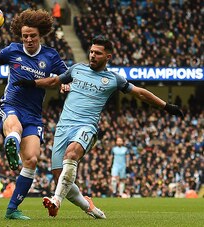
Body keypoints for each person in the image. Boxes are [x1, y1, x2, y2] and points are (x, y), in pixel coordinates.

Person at [13, 35, 184, 218]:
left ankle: (56, 201)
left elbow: (140, 93)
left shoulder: (113, 79)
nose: (93, 55)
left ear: (108, 57)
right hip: (63, 127)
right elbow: (55, 81)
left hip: (87, 127)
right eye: (92, 51)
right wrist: (32, 83)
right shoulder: (77, 69)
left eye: (98, 53)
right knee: (59, 175)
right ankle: (90, 207)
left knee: (71, 154)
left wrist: (167, 106)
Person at [0, 9, 68, 220]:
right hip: (10, 106)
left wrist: (66, 84)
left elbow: (66, 75)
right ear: (20, 35)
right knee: (14, 126)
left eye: (32, 36)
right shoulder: (12, 51)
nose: (28, 39)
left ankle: (12, 209)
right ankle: (12, 142)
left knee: (32, 160)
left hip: (34, 115)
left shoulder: (50, 55)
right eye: (25, 36)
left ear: (40, 35)